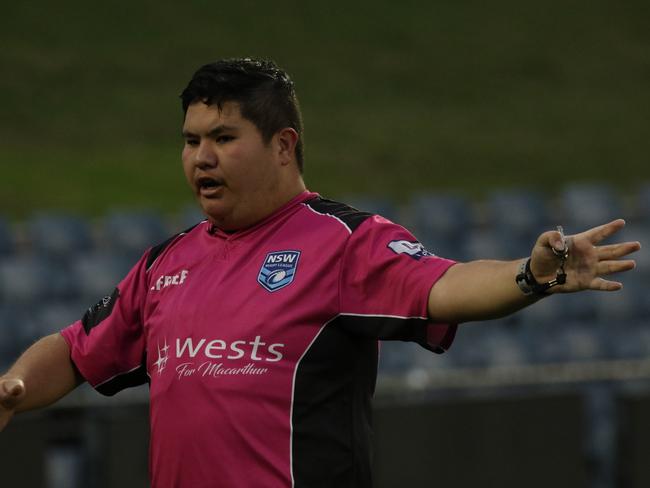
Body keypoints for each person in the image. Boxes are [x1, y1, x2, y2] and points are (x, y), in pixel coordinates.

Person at [0, 58, 641, 488]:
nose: (201, 158)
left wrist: (530, 275)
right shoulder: (169, 260)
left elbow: (446, 287)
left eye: (223, 138)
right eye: (191, 140)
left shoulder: (343, 242)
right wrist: (17, 387)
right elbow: (78, 350)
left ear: (283, 145)